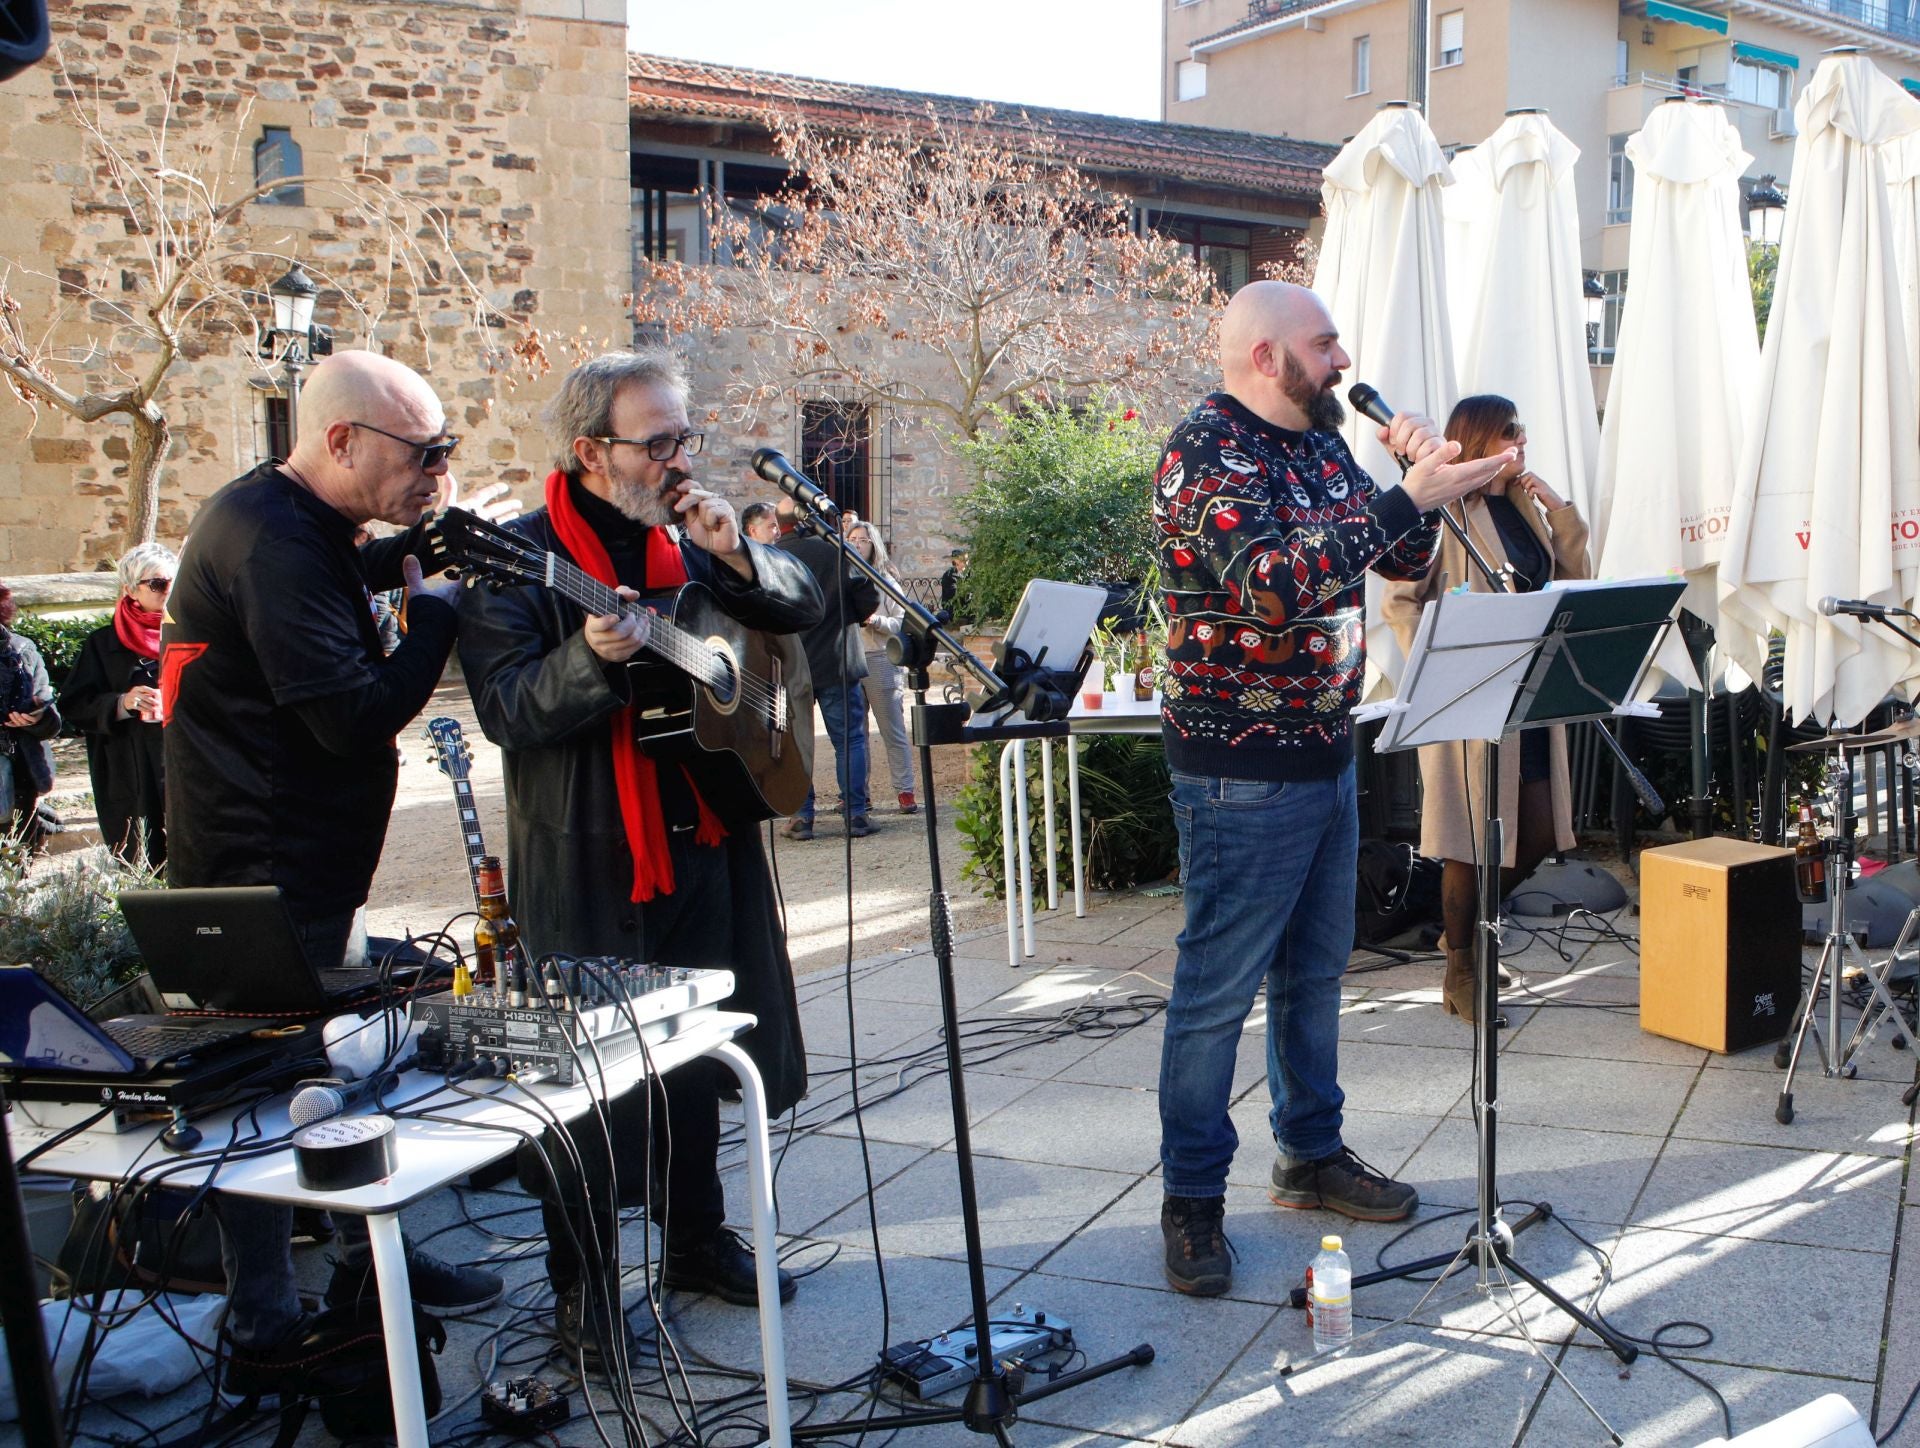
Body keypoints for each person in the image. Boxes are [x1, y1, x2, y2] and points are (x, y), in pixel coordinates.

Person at [458, 350, 821, 1373]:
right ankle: (583, 1288)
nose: (679, 459)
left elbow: (798, 613)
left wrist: (739, 558)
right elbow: (508, 708)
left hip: (703, 843)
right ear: (588, 452)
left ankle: (697, 1243)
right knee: (587, 1090)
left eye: (683, 436)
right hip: (587, 861)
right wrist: (590, 659)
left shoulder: (688, 541)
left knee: (696, 1056)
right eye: (657, 441)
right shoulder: (518, 558)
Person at [1151, 281, 1513, 1296]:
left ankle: (1309, 1152)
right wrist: (1403, 501)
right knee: (1215, 994)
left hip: (1326, 751)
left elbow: (1390, 555)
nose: (1343, 356)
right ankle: (1190, 1200)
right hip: (1236, 774)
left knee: (1314, 975)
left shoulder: (1318, 444)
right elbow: (1274, 580)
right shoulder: (1202, 454)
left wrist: (1415, 483)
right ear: (1268, 355)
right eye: (1326, 342)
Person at [161, 349, 503, 1387]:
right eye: (421, 451)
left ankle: (369, 1264)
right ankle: (263, 1331)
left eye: (446, 448)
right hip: (257, 871)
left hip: (295, 863)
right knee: (256, 1098)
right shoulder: (272, 542)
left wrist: (411, 547)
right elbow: (352, 714)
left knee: (317, 1081)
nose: (436, 467)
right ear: (342, 438)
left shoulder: (301, 523)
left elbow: (337, 583)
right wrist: (435, 607)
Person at [1379, 395, 1590, 1023]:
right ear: (1477, 441)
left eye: (1522, 434)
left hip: (1527, 695)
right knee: (1469, 843)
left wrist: (1563, 517)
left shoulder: (1521, 506)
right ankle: (1462, 967)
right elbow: (1399, 601)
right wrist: (1440, 671)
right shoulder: (1445, 512)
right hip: (1465, 701)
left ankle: (1463, 934)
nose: (1521, 445)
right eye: (1509, 434)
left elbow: (1570, 587)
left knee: (1540, 833)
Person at [58, 544, 176, 865]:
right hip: (131, 767)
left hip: (185, 766)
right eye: (157, 584)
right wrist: (123, 702)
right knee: (143, 860)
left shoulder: (189, 634)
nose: (167, 591)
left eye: (172, 583)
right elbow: (73, 704)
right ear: (130, 589)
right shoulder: (103, 644)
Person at [780, 514, 880, 840]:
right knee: (849, 740)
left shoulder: (774, 554)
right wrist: (847, 618)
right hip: (837, 658)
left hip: (793, 663)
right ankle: (855, 815)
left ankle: (801, 816)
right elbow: (869, 596)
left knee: (796, 744)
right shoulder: (837, 551)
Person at [846, 520, 915, 813]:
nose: (858, 544)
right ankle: (858, 794)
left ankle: (905, 790)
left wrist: (876, 621)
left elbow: (902, 622)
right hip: (849, 658)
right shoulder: (841, 576)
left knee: (892, 729)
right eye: (853, 538)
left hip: (879, 659)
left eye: (863, 540)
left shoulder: (886, 580)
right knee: (853, 733)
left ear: (873, 545)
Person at [0, 582, 61, 851]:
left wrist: (36, 717)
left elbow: (50, 714)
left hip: (18, 775)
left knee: (16, 862)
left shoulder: (22, 650)